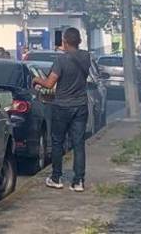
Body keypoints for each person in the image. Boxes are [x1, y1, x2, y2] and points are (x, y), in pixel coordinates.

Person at [32, 27, 90, 192]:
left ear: (64, 41)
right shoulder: (86, 57)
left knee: (58, 142)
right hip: (80, 106)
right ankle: (78, 181)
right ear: (79, 41)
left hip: (62, 106)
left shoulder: (61, 61)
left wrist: (37, 79)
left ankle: (56, 177)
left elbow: (50, 84)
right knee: (78, 144)